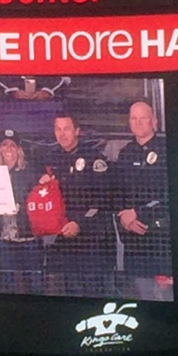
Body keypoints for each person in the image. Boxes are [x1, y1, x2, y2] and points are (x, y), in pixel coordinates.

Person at [41, 112, 113, 296]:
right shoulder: (51, 158)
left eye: (67, 129)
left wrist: (79, 222)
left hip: (92, 239)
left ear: (77, 131)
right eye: (58, 129)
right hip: (65, 239)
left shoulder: (93, 158)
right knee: (69, 292)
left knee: (94, 293)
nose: (62, 134)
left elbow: (104, 199)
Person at [116, 101, 170, 277]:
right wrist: (125, 218)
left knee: (162, 294)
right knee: (138, 292)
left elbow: (169, 194)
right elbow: (117, 193)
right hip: (132, 238)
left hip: (159, 237)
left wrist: (138, 213)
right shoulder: (125, 153)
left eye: (143, 118)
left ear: (154, 121)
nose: (137, 123)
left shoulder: (166, 149)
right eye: (133, 118)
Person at [0, 130, 42, 293]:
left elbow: (41, 203)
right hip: (4, 240)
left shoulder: (31, 173)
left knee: (35, 285)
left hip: (29, 238)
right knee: (8, 286)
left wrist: (22, 209)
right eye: (4, 144)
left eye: (13, 145)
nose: (8, 149)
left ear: (19, 149)